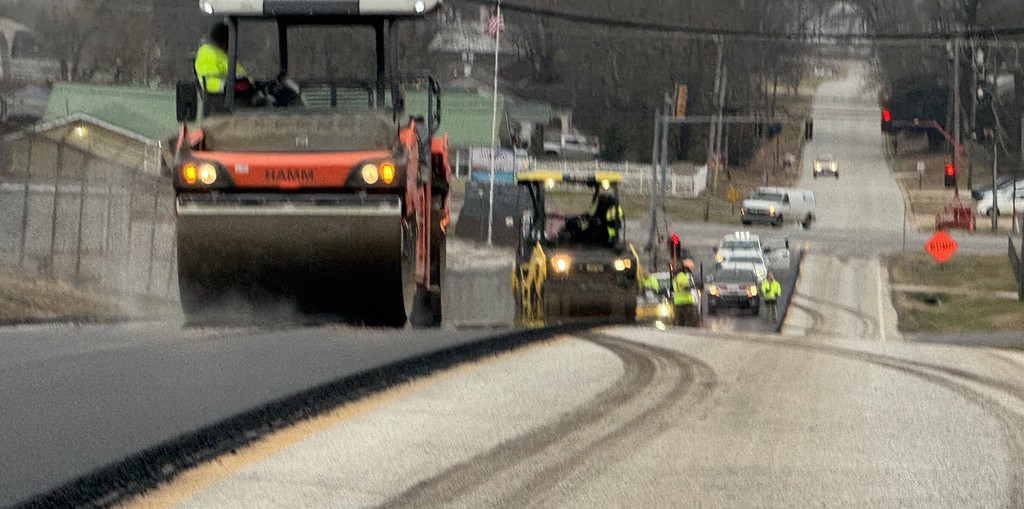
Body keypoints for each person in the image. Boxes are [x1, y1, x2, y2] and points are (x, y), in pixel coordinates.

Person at [194, 22, 254, 99]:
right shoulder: (208, 54)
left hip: (234, 92)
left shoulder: (220, 54)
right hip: (223, 97)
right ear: (225, 42)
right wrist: (228, 86)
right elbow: (209, 81)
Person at [672, 259, 698, 327]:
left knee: (680, 323)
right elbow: (686, 286)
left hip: (678, 302)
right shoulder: (681, 276)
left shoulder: (677, 275)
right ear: (686, 268)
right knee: (690, 323)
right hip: (685, 302)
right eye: (690, 269)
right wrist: (695, 286)